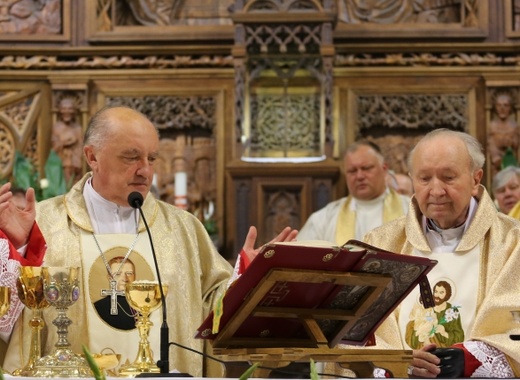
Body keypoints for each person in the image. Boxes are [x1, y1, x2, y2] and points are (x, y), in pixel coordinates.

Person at [0, 106, 298, 377]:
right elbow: (12, 325)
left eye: (151, 158)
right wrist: (21, 248)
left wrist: (249, 278)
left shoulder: (183, 229)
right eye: (131, 157)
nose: (145, 170)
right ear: (92, 157)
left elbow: (213, 310)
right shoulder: (44, 223)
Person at [357, 128, 520, 378]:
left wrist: (470, 360)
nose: (436, 191)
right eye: (424, 179)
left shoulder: (512, 242)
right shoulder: (379, 244)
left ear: (476, 180)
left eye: (448, 178)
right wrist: (393, 367)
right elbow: (356, 333)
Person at [297, 140, 410, 245]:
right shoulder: (324, 219)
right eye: (352, 171)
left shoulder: (410, 211)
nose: (359, 176)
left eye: (366, 168)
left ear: (384, 169)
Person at [93, 256, 137, 330]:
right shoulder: (99, 307)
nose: (125, 279)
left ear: (134, 276)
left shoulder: (143, 303)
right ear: (110, 278)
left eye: (129, 273)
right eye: (118, 274)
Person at [51, 97, 84, 187]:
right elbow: (54, 148)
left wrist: (77, 162)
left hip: (76, 165)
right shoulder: (57, 127)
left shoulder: (78, 128)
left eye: (70, 109)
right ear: (60, 111)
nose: (67, 112)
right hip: (61, 164)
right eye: (64, 109)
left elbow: (81, 146)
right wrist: (65, 143)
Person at [487, 92, 520, 177]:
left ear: (510, 107)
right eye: (499, 105)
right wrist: (496, 157)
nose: (502, 108)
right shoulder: (492, 125)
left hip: (511, 162)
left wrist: (511, 142)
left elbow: (516, 143)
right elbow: (490, 143)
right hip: (496, 163)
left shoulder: (514, 126)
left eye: (505, 105)